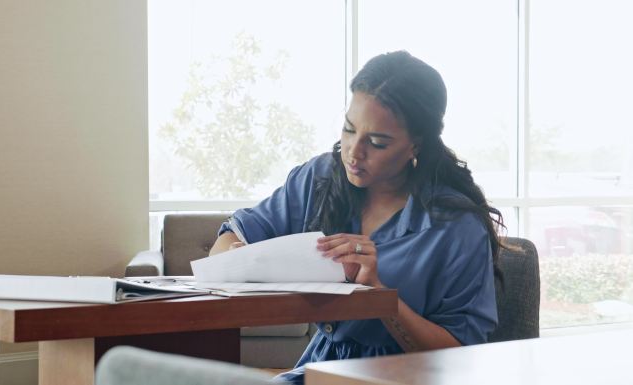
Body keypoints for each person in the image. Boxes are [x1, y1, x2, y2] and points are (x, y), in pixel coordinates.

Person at [209, 50, 504, 385]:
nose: (353, 151)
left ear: (416, 146)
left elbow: (463, 355)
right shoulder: (319, 179)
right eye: (349, 130)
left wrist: (378, 296)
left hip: (409, 377)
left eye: (377, 142)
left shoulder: (456, 228)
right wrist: (236, 258)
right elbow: (231, 236)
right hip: (319, 371)